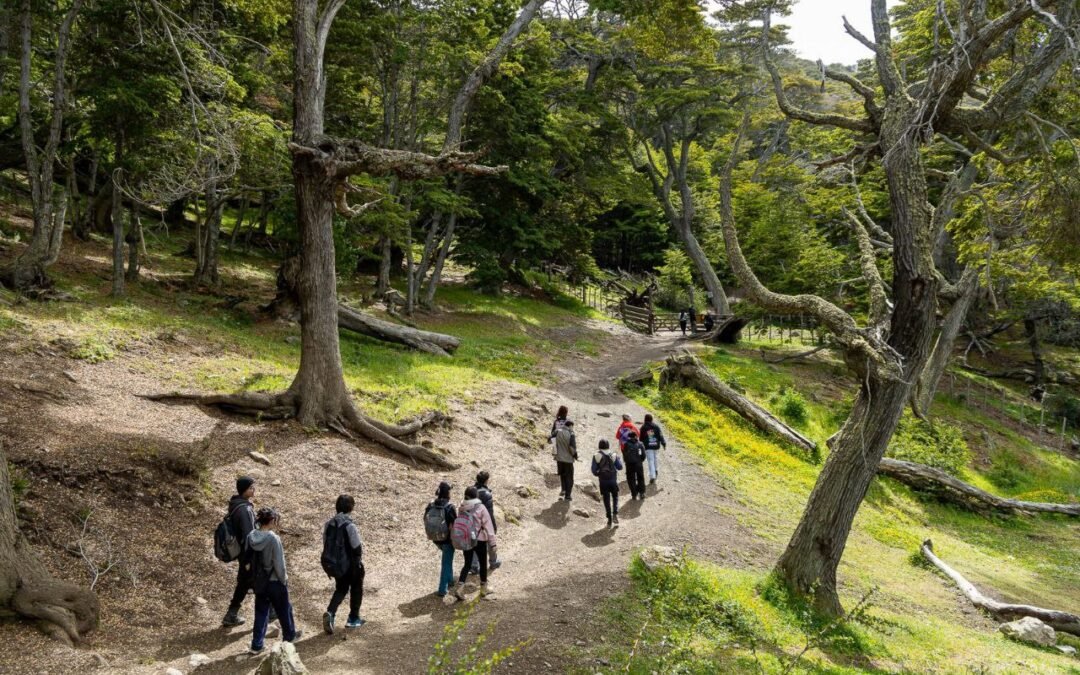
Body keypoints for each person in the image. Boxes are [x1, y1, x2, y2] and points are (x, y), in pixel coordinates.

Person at [247, 508, 300, 654]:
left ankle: (256, 645)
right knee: (284, 610)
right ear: (271, 521)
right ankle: (289, 637)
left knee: (261, 612)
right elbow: (279, 563)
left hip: (259, 581)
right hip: (275, 580)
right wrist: (284, 579)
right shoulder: (273, 538)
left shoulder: (251, 536)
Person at [322, 494, 365, 635]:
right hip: (351, 565)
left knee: (340, 589)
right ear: (351, 507)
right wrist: (358, 561)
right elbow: (356, 546)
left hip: (334, 565)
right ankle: (353, 618)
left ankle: (331, 612)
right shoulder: (349, 525)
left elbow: (325, 544)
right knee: (356, 588)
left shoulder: (329, 524)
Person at [222, 476, 257, 627]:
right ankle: (271, 611)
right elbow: (250, 534)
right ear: (244, 490)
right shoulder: (244, 509)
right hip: (248, 552)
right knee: (259, 580)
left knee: (245, 582)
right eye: (251, 487)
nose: (253, 489)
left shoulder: (235, 505)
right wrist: (253, 555)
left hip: (243, 552)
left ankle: (232, 614)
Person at [453, 486, 497, 600]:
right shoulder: (480, 507)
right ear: (476, 495)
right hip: (479, 540)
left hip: (466, 539)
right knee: (483, 564)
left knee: (467, 563)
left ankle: (460, 587)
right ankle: (483, 589)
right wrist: (493, 543)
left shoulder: (461, 507)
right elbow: (488, 526)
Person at [425, 481, 457, 597]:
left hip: (435, 537)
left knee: (447, 559)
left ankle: (450, 581)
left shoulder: (431, 505)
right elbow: (454, 524)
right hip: (447, 539)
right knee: (446, 562)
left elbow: (426, 519)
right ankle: (442, 589)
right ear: (448, 492)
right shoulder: (449, 507)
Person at [471, 471, 501, 573]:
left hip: (472, 522)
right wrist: (493, 526)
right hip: (484, 521)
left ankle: (474, 565)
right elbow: (489, 512)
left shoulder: (471, 491)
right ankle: (493, 562)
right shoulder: (486, 494)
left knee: (474, 542)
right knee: (490, 540)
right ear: (486, 481)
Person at [591, 440, 624, 528]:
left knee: (606, 499)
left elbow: (594, 470)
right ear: (608, 445)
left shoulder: (596, 455)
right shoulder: (613, 454)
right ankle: (615, 514)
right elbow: (620, 467)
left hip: (603, 481)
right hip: (613, 480)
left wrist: (599, 474)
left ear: (599, 446)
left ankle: (609, 519)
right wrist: (618, 459)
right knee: (615, 497)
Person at [553, 419, 578, 500]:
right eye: (572, 427)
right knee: (569, 477)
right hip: (568, 460)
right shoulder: (571, 434)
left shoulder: (557, 431)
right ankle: (568, 495)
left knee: (562, 474)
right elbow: (572, 448)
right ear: (570, 426)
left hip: (559, 458)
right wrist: (575, 455)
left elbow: (550, 440)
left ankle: (563, 489)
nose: (572, 428)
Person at [639, 413, 667, 484]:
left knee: (650, 461)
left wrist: (640, 446)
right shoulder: (656, 426)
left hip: (648, 446)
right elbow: (661, 435)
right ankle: (656, 470)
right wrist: (663, 443)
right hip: (656, 445)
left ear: (645, 419)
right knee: (655, 458)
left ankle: (653, 476)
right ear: (652, 419)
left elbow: (641, 438)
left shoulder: (643, 427)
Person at [622, 430, 647, 500]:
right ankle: (642, 493)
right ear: (636, 436)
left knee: (631, 479)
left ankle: (634, 493)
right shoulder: (640, 444)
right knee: (640, 478)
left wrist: (626, 462)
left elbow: (624, 455)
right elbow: (644, 455)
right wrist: (640, 461)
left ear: (629, 437)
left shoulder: (626, 444)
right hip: (638, 464)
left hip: (629, 464)